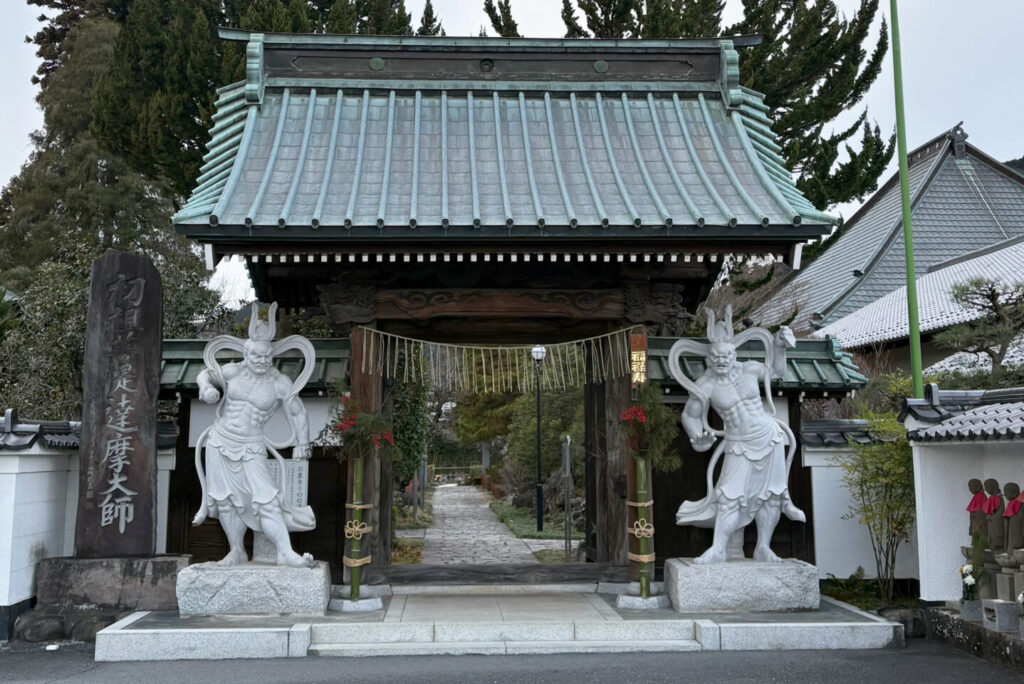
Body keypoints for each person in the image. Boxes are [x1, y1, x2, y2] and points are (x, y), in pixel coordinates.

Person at [673, 306, 805, 564]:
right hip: (738, 443)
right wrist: (697, 437)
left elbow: (777, 371)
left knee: (771, 495)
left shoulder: (750, 369)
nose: (721, 361)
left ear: (734, 353)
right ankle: (719, 549)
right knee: (728, 497)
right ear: (708, 357)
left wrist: (779, 346)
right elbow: (689, 415)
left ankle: (763, 547)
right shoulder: (705, 385)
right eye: (715, 356)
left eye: (725, 355)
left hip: (770, 436)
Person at [193, 303, 315, 568]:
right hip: (220, 440)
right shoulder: (233, 371)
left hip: (252, 445)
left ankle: (285, 551)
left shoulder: (279, 382)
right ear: (246, 353)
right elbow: (204, 374)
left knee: (266, 499)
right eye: (257, 356)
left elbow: (298, 412)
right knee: (226, 501)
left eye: (267, 356)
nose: (262, 361)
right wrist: (205, 389)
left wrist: (302, 442)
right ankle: (237, 550)